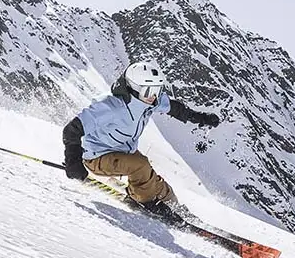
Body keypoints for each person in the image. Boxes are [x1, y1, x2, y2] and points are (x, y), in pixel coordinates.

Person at [62, 61, 221, 214]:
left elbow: (175, 108)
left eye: (157, 90)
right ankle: (144, 202)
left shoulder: (149, 101)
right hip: (97, 158)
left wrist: (201, 118)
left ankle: (177, 210)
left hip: (123, 153)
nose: (153, 96)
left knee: (159, 186)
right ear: (134, 88)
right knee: (140, 165)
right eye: (148, 90)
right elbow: (71, 130)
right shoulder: (110, 106)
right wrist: (73, 162)